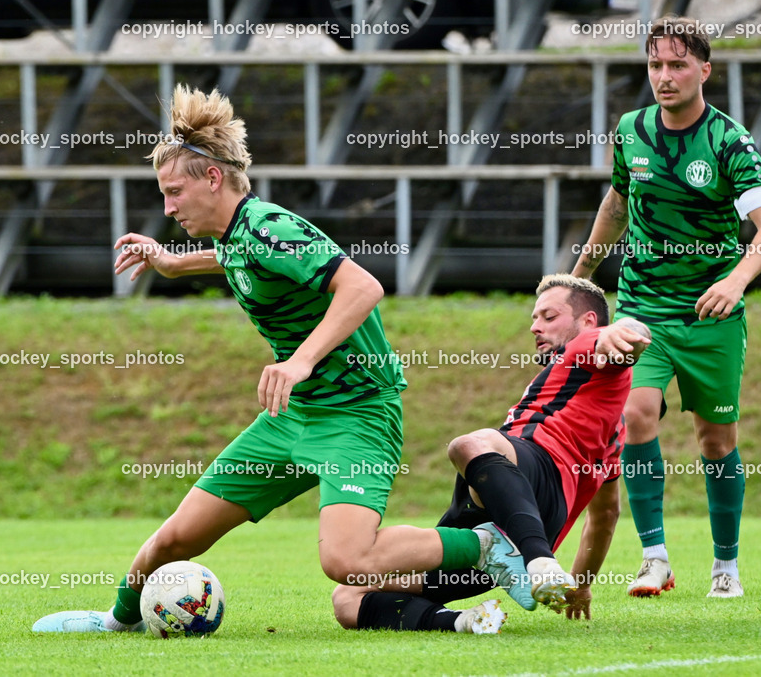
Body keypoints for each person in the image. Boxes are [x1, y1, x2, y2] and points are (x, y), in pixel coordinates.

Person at [31, 84, 526, 633]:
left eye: (174, 193)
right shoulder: (238, 234)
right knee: (175, 539)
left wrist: (300, 361)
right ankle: (118, 621)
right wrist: (173, 265)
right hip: (290, 418)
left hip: (356, 413)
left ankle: (486, 545)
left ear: (213, 179)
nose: (167, 207)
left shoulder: (269, 224)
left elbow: (363, 287)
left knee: (346, 562)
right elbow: (239, 258)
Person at [573, 16, 761, 599]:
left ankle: (726, 566)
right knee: (635, 414)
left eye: (677, 65)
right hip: (641, 307)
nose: (664, 77)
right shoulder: (630, 129)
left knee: (716, 440)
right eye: (655, 65)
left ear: (704, 70)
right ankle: (655, 557)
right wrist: (582, 273)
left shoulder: (728, 142)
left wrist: (737, 282)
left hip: (712, 314)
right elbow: (618, 201)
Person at [331, 274, 652, 633]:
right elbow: (606, 512)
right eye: (533, 318)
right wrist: (581, 582)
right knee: (347, 597)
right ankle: (467, 619)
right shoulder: (607, 427)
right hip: (491, 534)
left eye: (548, 316)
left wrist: (624, 327)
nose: (535, 327)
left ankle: (535, 561)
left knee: (469, 444)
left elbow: (626, 339)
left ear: (588, 321)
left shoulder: (587, 348)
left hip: (536, 486)